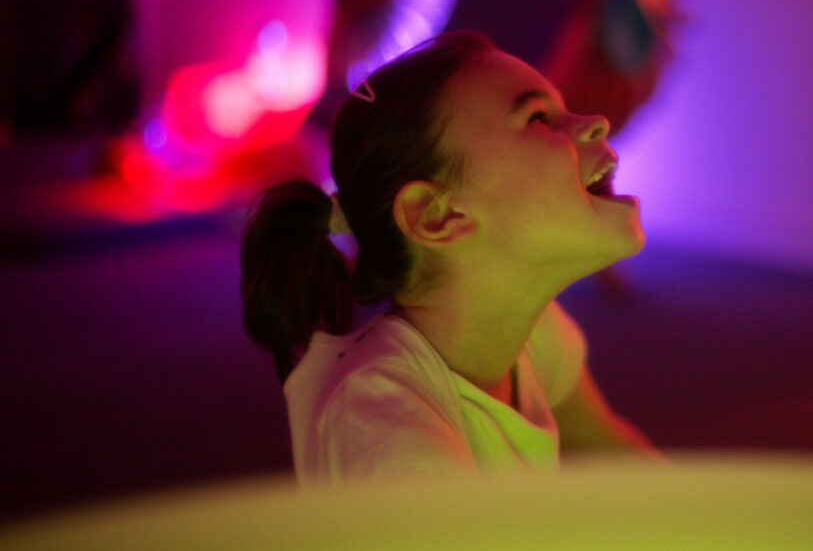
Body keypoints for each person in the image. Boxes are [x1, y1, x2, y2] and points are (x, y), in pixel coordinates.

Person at [242, 31, 661, 483]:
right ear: (437, 215)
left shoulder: (534, 332)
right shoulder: (386, 424)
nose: (597, 120)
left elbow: (617, 457)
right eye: (539, 118)